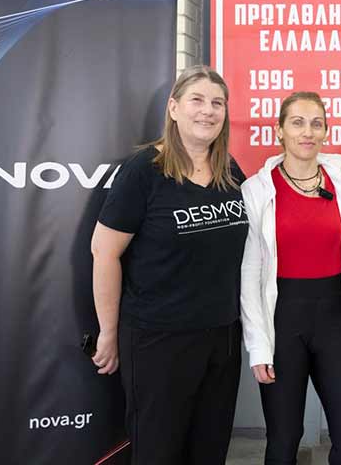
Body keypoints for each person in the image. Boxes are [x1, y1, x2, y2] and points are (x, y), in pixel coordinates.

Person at [90, 66, 248, 464]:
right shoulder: (144, 171)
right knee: (158, 452)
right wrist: (108, 331)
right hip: (158, 339)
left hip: (221, 337)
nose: (208, 110)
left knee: (209, 451)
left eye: (217, 103)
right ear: (174, 108)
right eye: (197, 100)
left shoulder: (230, 172)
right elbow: (104, 252)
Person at [240, 91, 341, 465]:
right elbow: (250, 273)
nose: (307, 132)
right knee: (284, 440)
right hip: (283, 319)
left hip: (335, 317)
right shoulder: (257, 190)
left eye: (317, 124)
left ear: (325, 131)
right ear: (279, 130)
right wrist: (258, 345)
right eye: (297, 123)